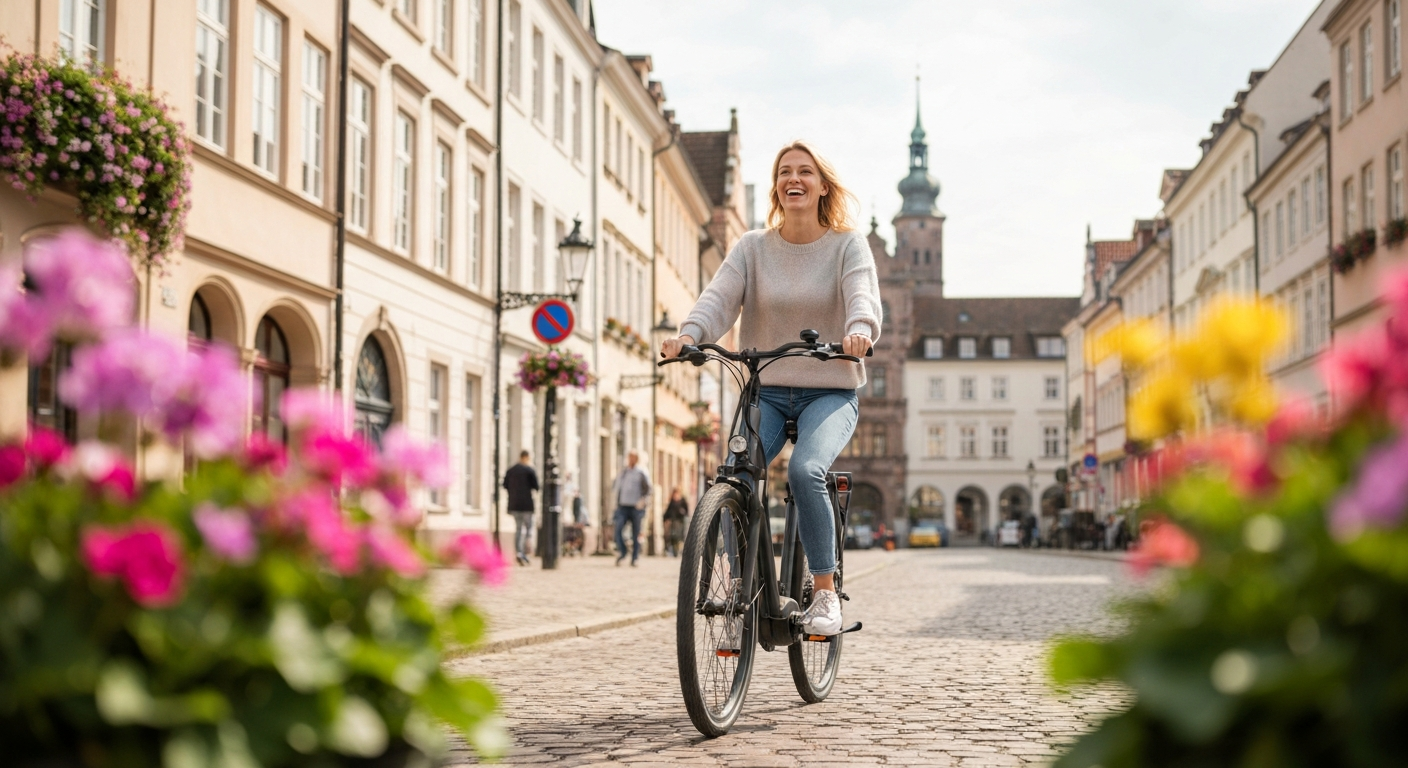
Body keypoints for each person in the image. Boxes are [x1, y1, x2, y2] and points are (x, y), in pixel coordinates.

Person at [660, 140, 880, 637]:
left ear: (823, 185)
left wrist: (860, 330)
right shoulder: (753, 247)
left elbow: (861, 293)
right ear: (778, 185)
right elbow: (719, 297)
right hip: (767, 392)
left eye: (805, 171)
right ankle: (741, 595)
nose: (793, 179)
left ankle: (824, 592)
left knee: (806, 470)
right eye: (785, 172)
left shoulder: (848, 244)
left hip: (829, 390)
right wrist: (690, 336)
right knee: (738, 476)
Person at [611, 451, 651, 566]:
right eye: (629, 458)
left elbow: (648, 490)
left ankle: (635, 558)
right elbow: (617, 488)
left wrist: (643, 502)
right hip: (623, 506)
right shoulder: (624, 472)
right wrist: (616, 503)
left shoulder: (641, 472)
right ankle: (623, 553)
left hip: (636, 507)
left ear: (637, 459)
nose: (631, 460)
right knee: (618, 530)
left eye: (633, 458)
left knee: (636, 533)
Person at [502, 450, 539, 566]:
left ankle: (518, 551)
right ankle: (526, 552)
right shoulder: (529, 470)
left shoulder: (511, 470)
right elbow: (537, 487)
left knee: (518, 529)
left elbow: (504, 485)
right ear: (527, 458)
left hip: (514, 504)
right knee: (528, 529)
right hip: (527, 505)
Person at [663, 488, 689, 557]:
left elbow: (686, 512)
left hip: (680, 522)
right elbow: (668, 511)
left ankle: (678, 550)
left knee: (679, 536)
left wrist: (682, 512)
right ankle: (674, 551)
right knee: (672, 537)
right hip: (673, 522)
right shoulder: (672, 502)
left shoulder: (683, 501)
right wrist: (665, 518)